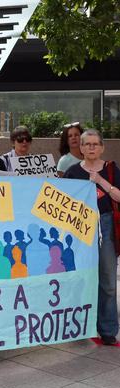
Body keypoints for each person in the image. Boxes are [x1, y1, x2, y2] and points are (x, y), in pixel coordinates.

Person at [64, 129, 120, 345]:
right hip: (79, 228)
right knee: (81, 279)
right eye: (87, 144)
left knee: (107, 280)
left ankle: (107, 330)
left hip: (105, 226)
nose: (91, 148)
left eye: (95, 144)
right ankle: (81, 326)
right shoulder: (71, 172)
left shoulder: (112, 170)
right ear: (81, 147)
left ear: (102, 147)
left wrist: (100, 181)